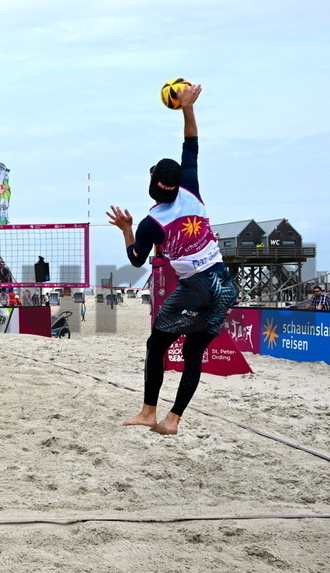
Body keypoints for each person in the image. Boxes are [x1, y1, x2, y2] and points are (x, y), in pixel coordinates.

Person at [105, 82, 237, 436]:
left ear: (153, 184)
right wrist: (188, 108)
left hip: (196, 287)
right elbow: (191, 144)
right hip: (224, 283)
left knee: (156, 345)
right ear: (176, 182)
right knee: (193, 352)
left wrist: (126, 229)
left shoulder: (152, 222)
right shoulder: (191, 187)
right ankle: (172, 420)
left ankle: (150, 412)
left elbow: (136, 261)